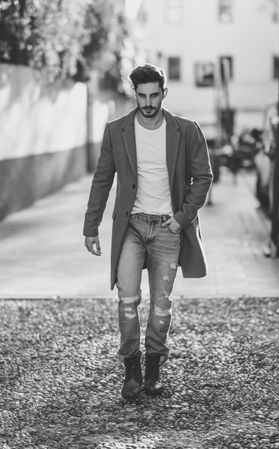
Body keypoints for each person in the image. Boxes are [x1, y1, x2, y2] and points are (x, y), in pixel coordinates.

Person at [83, 63, 213, 401]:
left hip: (169, 227)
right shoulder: (117, 130)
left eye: (154, 95)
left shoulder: (186, 130)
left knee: (160, 305)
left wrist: (182, 218)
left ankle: (154, 369)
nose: (148, 102)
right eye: (142, 95)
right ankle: (131, 371)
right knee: (127, 299)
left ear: (164, 93)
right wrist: (91, 225)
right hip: (132, 225)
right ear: (135, 94)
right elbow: (102, 178)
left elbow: (204, 177)